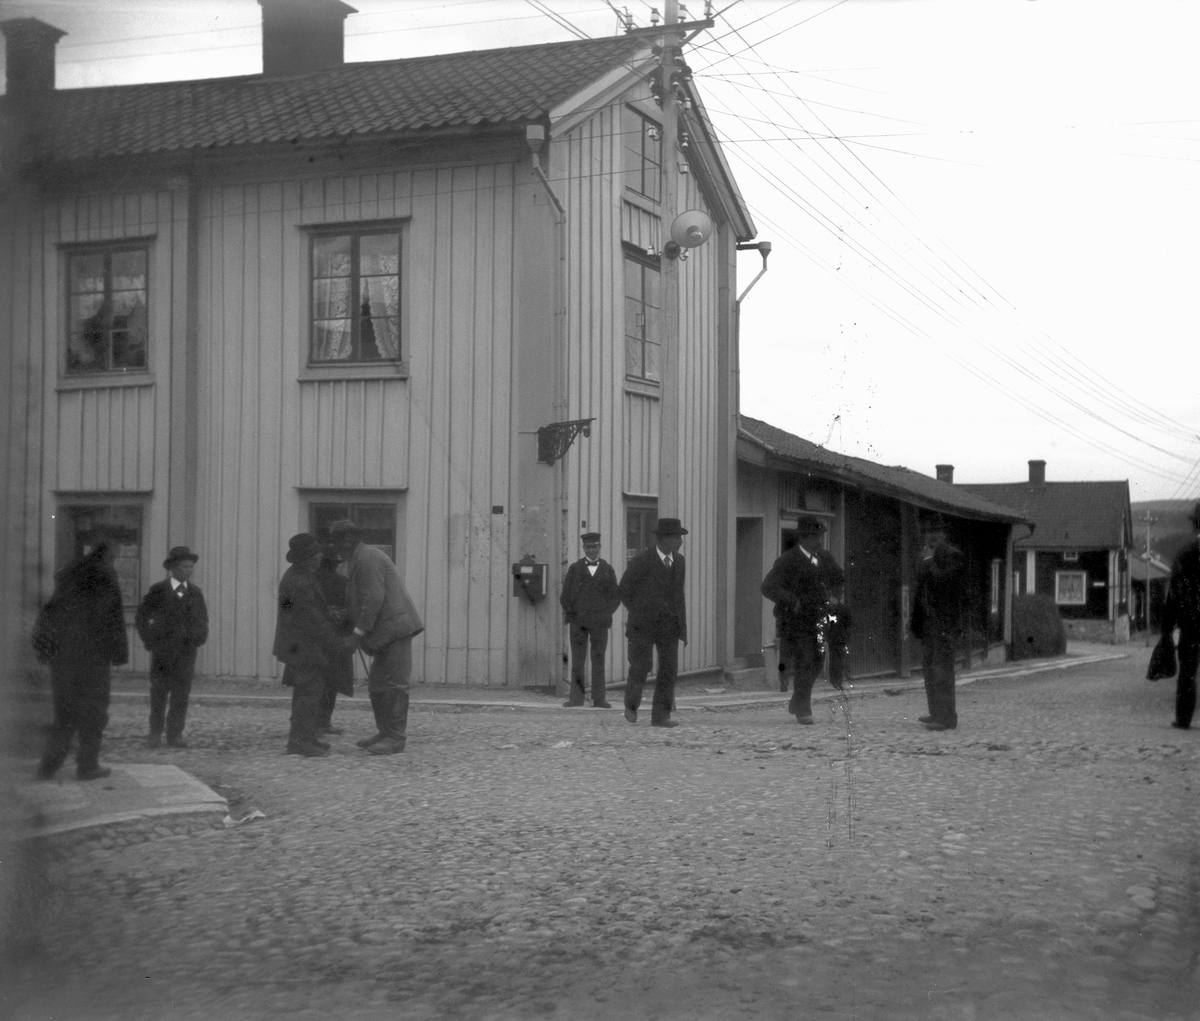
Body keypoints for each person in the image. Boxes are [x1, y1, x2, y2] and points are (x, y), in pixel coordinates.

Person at [34, 535, 129, 780]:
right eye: (117, 549)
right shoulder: (106, 576)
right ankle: (87, 766)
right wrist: (118, 654)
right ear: (110, 550)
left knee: (64, 715)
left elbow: (49, 615)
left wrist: (44, 651)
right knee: (95, 713)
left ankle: (47, 768)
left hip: (63, 658)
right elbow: (113, 619)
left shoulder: (67, 576)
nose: (118, 554)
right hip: (93, 659)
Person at [330, 520, 424, 754]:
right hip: (385, 633)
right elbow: (364, 600)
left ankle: (395, 738)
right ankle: (385, 732)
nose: (335, 547)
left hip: (394, 631)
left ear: (348, 539)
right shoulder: (360, 559)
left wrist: (356, 635)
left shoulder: (367, 558)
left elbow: (373, 598)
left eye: (337, 542)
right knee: (378, 686)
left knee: (393, 686)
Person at [760, 515, 845, 724]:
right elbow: (768, 586)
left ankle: (797, 700)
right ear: (804, 538)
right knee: (805, 661)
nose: (819, 541)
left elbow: (839, 579)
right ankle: (803, 711)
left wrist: (835, 596)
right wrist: (791, 600)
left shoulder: (825, 558)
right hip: (795, 621)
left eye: (820, 536)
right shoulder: (788, 560)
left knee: (817, 661)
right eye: (815, 537)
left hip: (818, 619)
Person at [272, 533, 344, 756]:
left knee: (307, 692)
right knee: (308, 693)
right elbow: (309, 618)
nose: (321, 556)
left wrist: (327, 613)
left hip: (297, 643)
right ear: (309, 558)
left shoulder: (298, 576)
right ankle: (300, 742)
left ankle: (306, 736)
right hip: (303, 646)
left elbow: (301, 611)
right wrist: (335, 641)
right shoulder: (299, 581)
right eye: (316, 553)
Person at [135, 546, 209, 748]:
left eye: (191, 567)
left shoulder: (195, 593)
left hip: (186, 653)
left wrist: (197, 639)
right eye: (185, 566)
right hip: (162, 652)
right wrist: (149, 640)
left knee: (181, 694)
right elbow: (142, 617)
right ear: (174, 568)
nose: (189, 570)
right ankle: (155, 732)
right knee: (159, 693)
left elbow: (203, 621)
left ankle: (175, 734)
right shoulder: (158, 591)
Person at [618, 517, 688, 728]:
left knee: (669, 669)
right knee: (641, 666)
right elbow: (623, 591)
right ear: (663, 539)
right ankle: (631, 705)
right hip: (643, 626)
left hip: (669, 626)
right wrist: (639, 611)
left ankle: (661, 716)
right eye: (677, 538)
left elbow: (678, 597)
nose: (680, 542)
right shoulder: (641, 561)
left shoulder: (680, 562)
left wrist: (682, 629)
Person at [909, 512, 966, 731]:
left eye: (936, 532)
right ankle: (935, 712)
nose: (931, 536)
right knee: (930, 670)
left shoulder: (953, 556)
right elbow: (920, 592)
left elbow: (942, 583)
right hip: (927, 624)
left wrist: (928, 561)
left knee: (942, 671)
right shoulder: (925, 556)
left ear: (944, 534)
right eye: (928, 532)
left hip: (945, 623)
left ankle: (946, 718)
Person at [559, 531, 621, 708]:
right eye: (588, 547)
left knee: (598, 660)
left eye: (595, 547)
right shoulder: (575, 569)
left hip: (600, 623)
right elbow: (564, 597)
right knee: (578, 661)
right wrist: (574, 614)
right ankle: (576, 698)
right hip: (578, 623)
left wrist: (605, 613)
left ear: (599, 548)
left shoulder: (607, 570)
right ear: (583, 548)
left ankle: (599, 699)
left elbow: (615, 597)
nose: (592, 550)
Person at [1162, 501, 1200, 730]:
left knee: (1187, 672)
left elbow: (1174, 594)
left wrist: (1167, 628)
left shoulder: (1186, 555)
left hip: (1192, 623)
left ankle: (1184, 718)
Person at [314, 541, 355, 735]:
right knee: (332, 683)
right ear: (336, 564)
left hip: (313, 640)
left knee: (312, 682)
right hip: (336, 640)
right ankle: (324, 721)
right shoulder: (343, 583)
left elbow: (287, 606)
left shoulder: (309, 580)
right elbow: (351, 612)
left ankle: (308, 721)